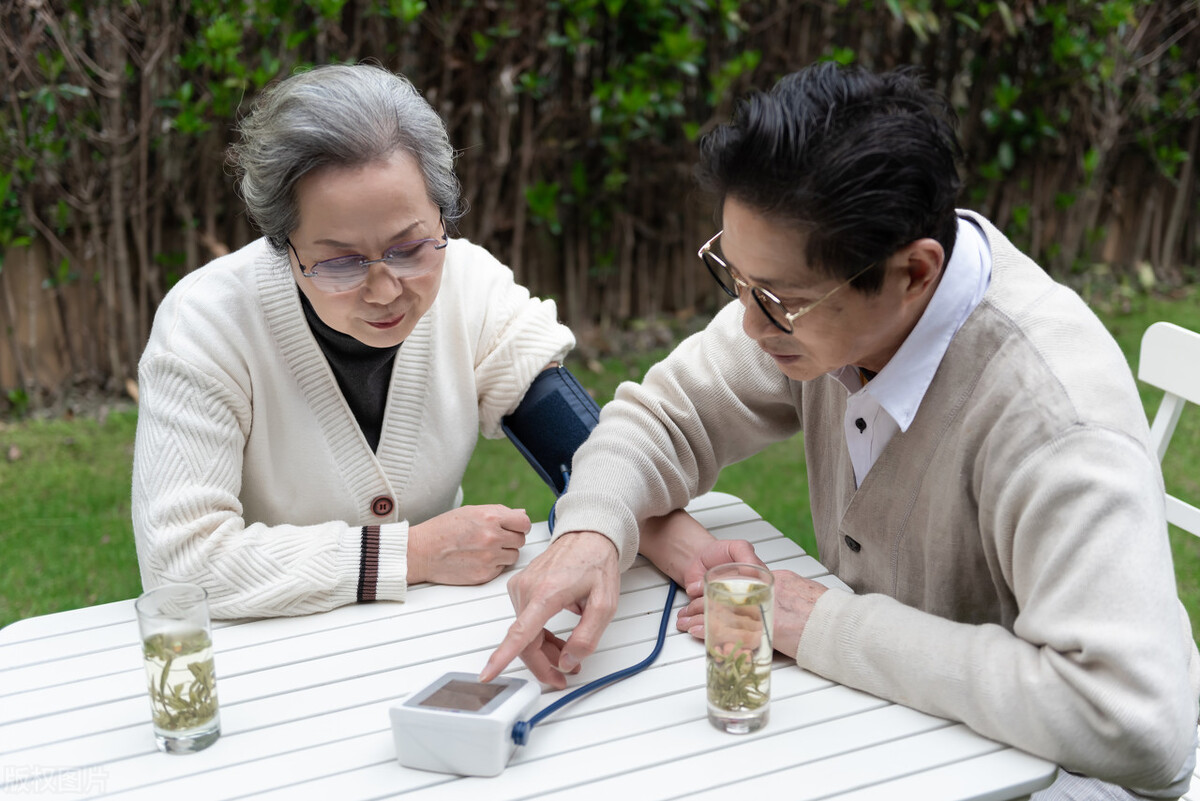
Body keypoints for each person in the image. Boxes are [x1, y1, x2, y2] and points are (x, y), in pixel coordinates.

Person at [482, 63, 1200, 798]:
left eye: (781, 300)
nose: (750, 324)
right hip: (899, 729)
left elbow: (1137, 722)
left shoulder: (1052, 418)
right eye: (736, 279)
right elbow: (664, 416)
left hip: (1061, 777)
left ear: (915, 271)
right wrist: (593, 529)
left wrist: (828, 625)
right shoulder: (835, 310)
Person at [132, 63, 585, 620]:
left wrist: (652, 523)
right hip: (264, 654)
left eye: (409, 247)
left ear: (440, 214)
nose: (384, 290)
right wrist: (410, 553)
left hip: (431, 633)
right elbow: (179, 564)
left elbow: (583, 452)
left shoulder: (471, 281)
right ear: (282, 243)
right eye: (340, 261)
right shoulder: (204, 325)